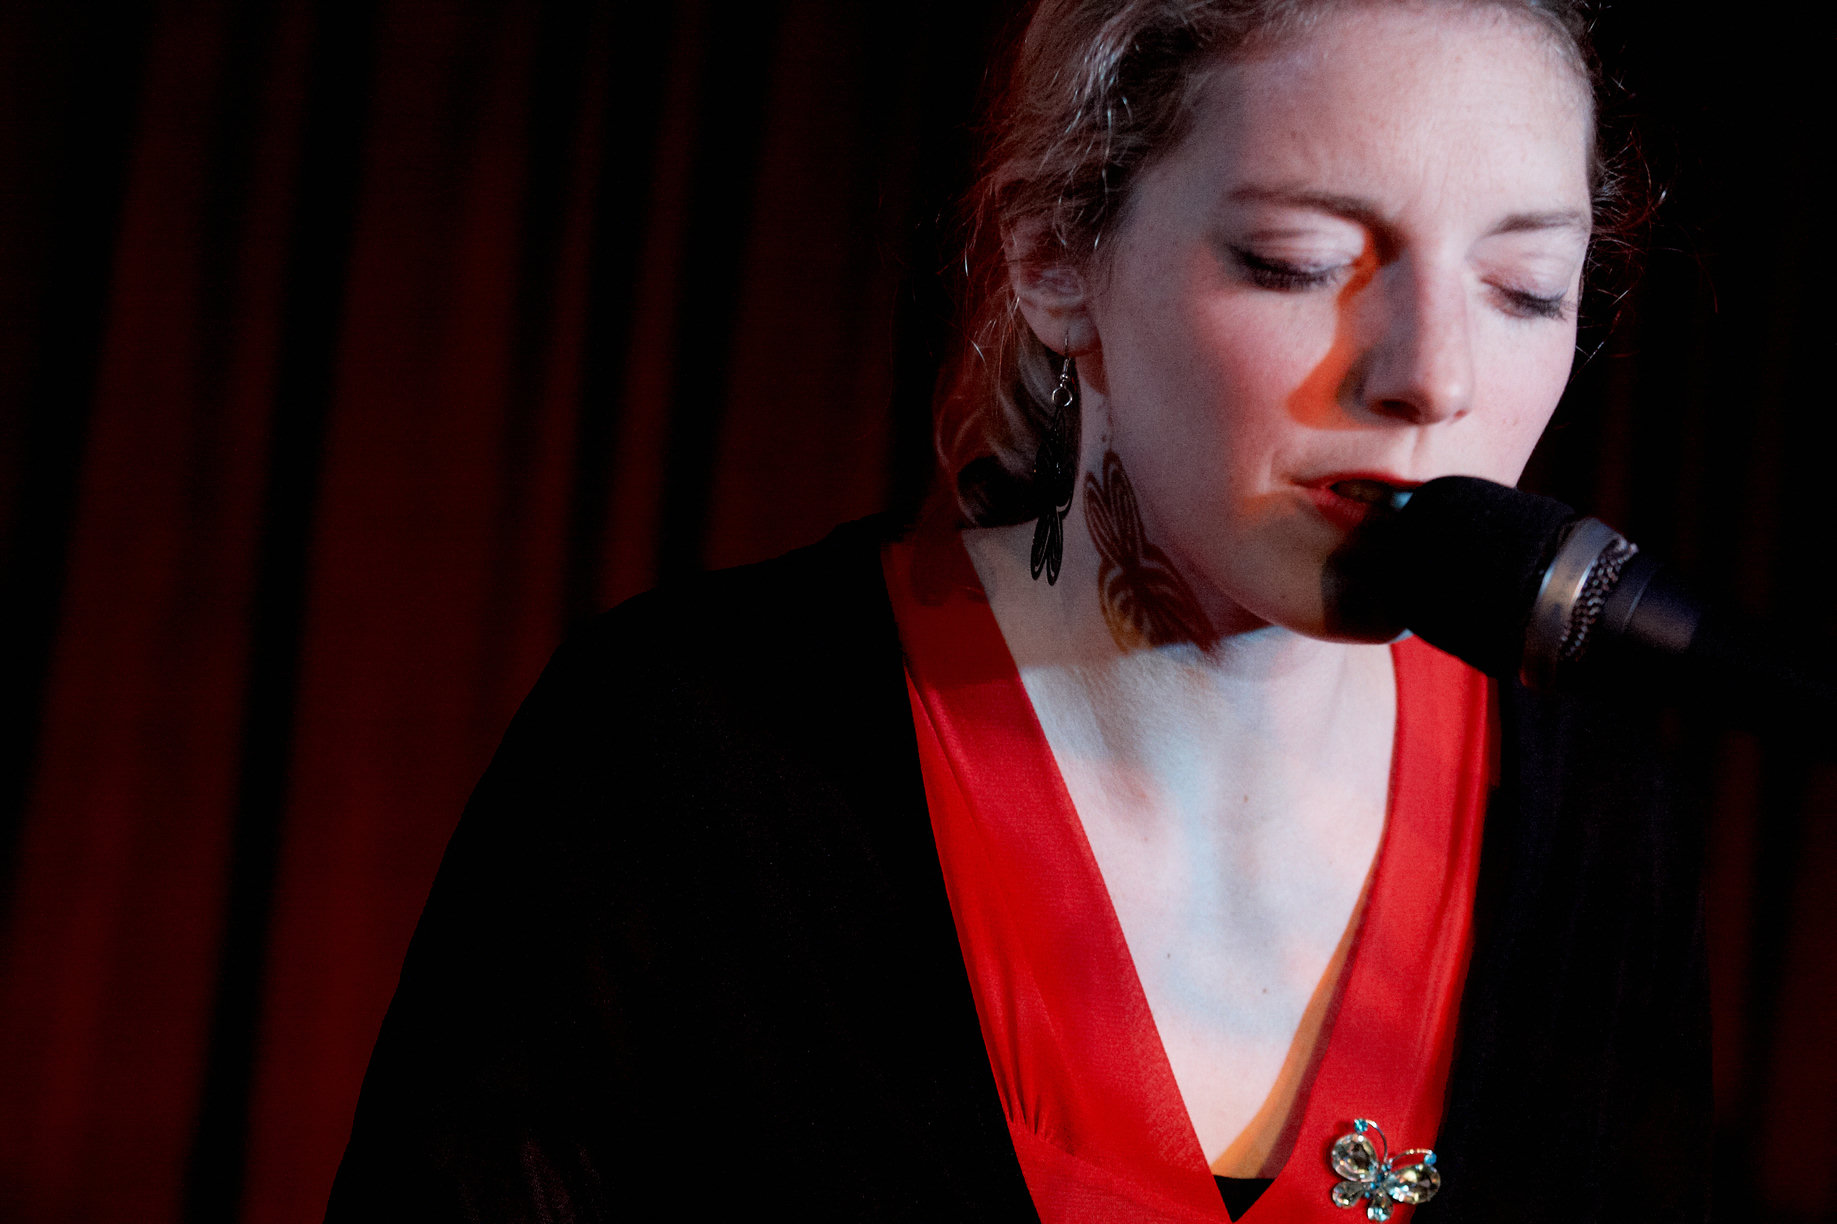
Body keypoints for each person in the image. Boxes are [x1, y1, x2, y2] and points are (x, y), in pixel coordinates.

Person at [326, 2, 1706, 1220]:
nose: (1434, 377)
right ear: (1055, 259)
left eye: (1525, 290)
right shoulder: (692, 749)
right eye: (1297, 259)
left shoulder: (1591, 813)